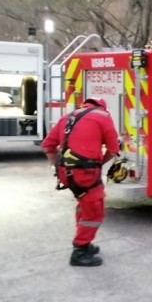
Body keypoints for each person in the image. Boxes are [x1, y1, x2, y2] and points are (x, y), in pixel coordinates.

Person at [42, 97, 120, 267]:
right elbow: (114, 150)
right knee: (94, 211)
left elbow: (47, 145)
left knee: (83, 204)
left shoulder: (68, 117)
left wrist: (57, 167)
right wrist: (99, 164)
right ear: (103, 108)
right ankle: (80, 250)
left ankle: (84, 242)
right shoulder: (103, 117)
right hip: (85, 174)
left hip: (67, 173)